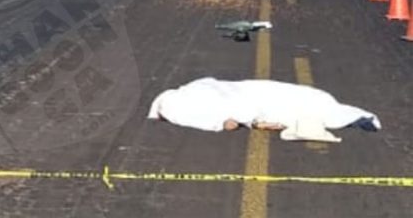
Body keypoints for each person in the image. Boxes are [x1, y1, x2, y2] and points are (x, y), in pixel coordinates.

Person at [147, 78, 381, 142]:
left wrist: (230, 122)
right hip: (241, 94)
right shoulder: (181, 100)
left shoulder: (176, 105)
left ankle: (349, 116)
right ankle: (350, 116)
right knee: (291, 98)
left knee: (285, 101)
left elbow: (220, 116)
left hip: (239, 96)